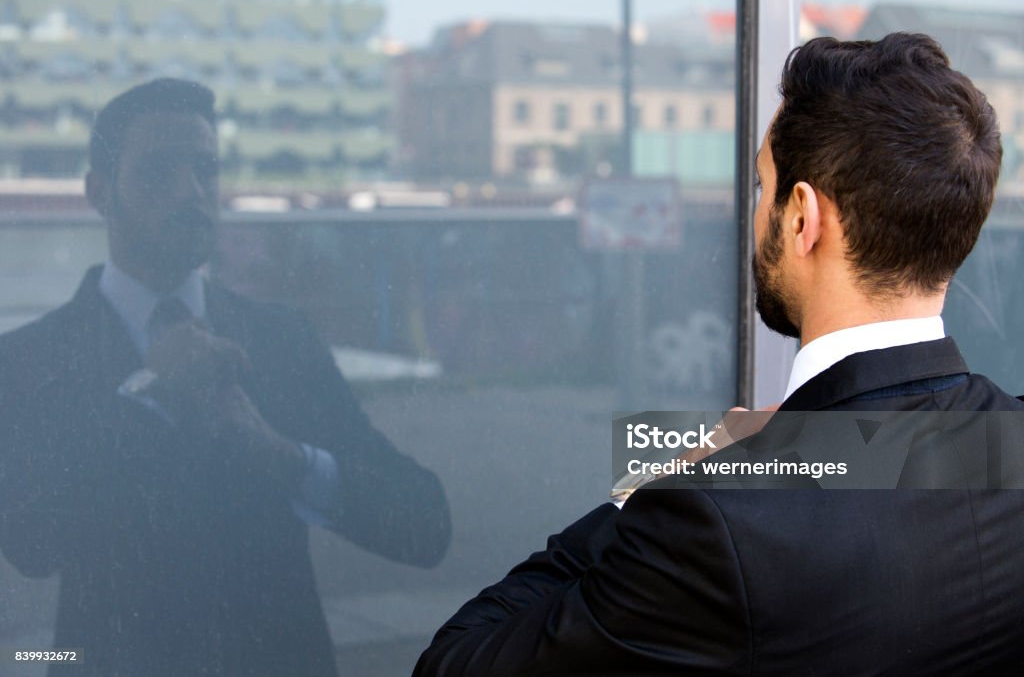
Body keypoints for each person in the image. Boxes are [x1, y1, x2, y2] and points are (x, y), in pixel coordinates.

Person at [414, 33, 1024, 676]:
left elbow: (456, 662)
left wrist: (660, 485)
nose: (756, 213)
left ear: (801, 219)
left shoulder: (716, 521)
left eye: (762, 187)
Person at [0, 78, 451, 677]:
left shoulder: (283, 337)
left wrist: (284, 458)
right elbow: (32, 542)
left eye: (206, 170)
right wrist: (146, 392)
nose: (192, 191)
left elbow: (425, 525)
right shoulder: (28, 358)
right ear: (98, 192)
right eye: (160, 172)